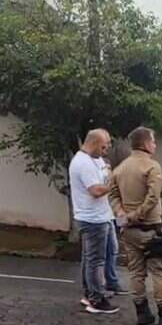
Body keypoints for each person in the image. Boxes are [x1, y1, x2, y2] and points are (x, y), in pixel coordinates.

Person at [109, 126, 162, 325]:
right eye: (154, 141)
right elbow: (152, 197)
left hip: (129, 231)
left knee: (136, 272)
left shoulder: (120, 168)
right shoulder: (152, 167)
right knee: (159, 272)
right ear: (145, 143)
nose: (155, 144)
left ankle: (142, 313)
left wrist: (121, 214)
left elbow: (112, 195)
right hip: (150, 228)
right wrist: (136, 215)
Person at [69, 129, 119, 314]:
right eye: (104, 146)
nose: (106, 150)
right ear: (95, 143)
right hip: (92, 218)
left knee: (99, 255)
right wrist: (114, 183)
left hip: (101, 215)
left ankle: (91, 292)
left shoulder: (95, 160)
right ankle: (96, 299)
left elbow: (105, 174)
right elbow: (96, 190)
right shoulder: (83, 163)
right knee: (96, 260)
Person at [96, 147, 130, 297]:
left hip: (109, 215)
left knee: (112, 249)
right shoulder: (101, 180)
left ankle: (111, 282)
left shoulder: (109, 181)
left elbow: (114, 197)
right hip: (99, 217)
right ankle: (98, 286)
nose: (108, 170)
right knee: (99, 254)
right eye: (106, 168)